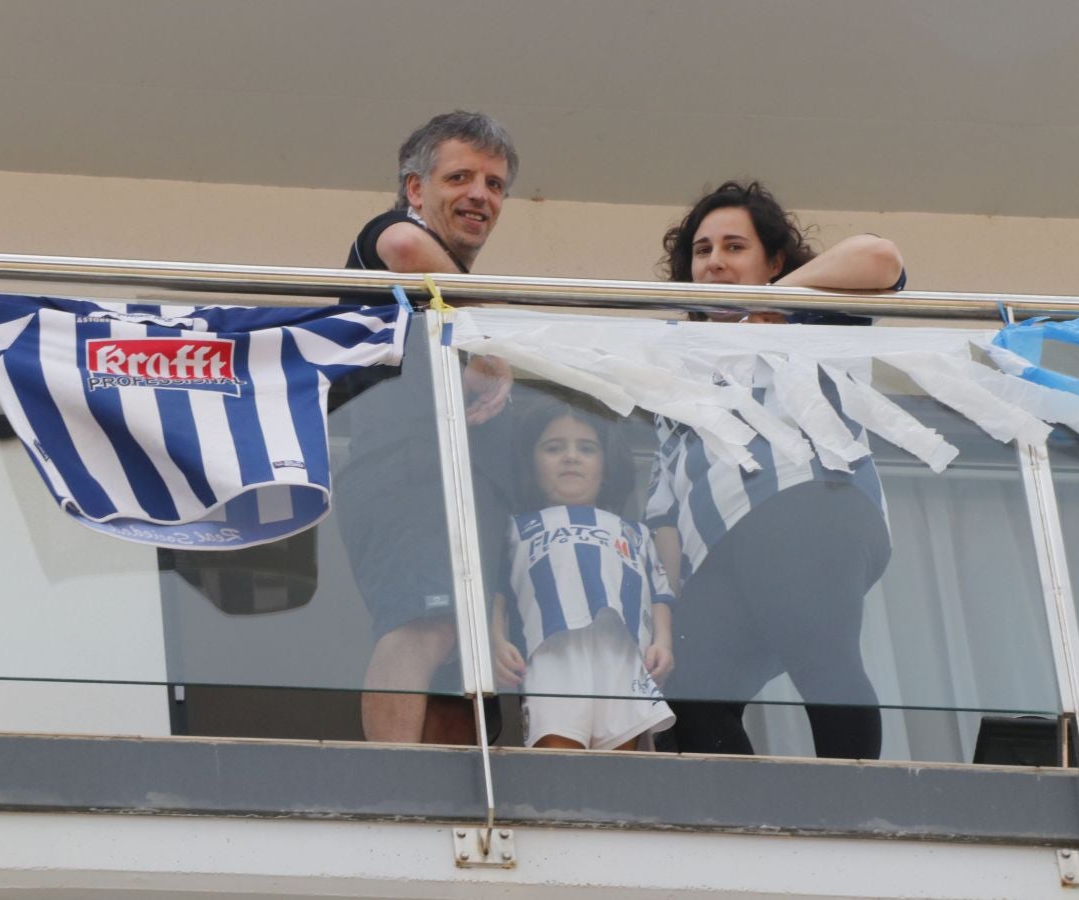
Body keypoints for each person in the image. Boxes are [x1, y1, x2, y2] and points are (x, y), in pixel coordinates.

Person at [648, 180, 903, 759]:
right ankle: (747, 812)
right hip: (716, 550)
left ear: (775, 262)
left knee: (823, 660)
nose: (715, 261)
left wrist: (776, 301)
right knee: (688, 701)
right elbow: (664, 502)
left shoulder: (809, 317)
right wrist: (672, 600)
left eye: (734, 247)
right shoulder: (672, 366)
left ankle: (854, 805)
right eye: (702, 251)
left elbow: (880, 259)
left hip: (804, 503)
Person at [335, 111, 517, 744]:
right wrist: (492, 338)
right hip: (404, 468)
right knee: (425, 626)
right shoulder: (391, 236)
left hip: (459, 482)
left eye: (494, 184)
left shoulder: (452, 296)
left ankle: (442, 791)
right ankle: (396, 784)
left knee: (463, 654)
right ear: (416, 189)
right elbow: (405, 249)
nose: (480, 195)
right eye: (460, 177)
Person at [490, 394, 676, 750]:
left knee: (620, 762)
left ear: (606, 467)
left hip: (622, 654)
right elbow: (497, 592)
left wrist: (663, 642)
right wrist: (495, 640)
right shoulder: (516, 529)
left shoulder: (635, 532)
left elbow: (660, 594)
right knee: (558, 754)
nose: (571, 457)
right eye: (554, 448)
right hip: (552, 652)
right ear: (531, 464)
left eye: (586, 448)